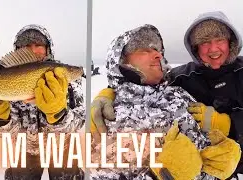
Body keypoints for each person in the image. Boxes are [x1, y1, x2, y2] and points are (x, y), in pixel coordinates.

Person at [91, 11, 243, 179]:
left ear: (231, 43)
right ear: (195, 48)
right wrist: (107, 94)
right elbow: (134, 81)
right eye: (205, 42)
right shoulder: (181, 79)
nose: (213, 48)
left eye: (220, 39)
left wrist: (231, 125)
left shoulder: (178, 94)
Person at [0, 24, 85, 180]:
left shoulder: (66, 80)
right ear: (18, 50)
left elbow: (79, 120)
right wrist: (0, 119)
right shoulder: (5, 78)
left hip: (61, 146)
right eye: (26, 45)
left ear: (48, 48)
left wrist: (58, 115)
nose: (33, 50)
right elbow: (8, 134)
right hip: (25, 148)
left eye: (38, 44)